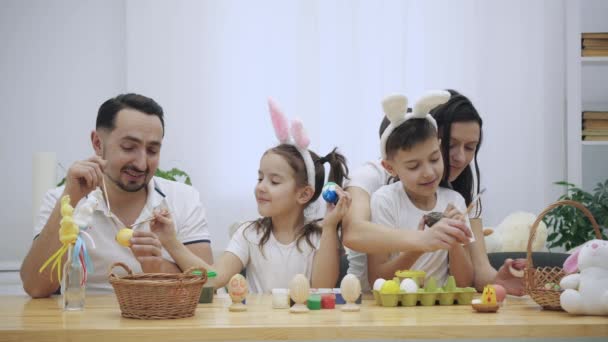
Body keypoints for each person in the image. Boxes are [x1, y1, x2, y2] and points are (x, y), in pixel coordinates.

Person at [20, 93, 213, 297]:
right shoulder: (64, 198)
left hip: (161, 322)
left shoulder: (183, 199)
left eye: (153, 151)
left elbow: (208, 288)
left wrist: (157, 267)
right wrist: (71, 198)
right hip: (86, 323)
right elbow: (35, 286)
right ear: (97, 143)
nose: (141, 164)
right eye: (128, 147)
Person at [150, 100, 352, 293]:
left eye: (274, 181)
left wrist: (329, 227)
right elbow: (213, 279)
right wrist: (171, 242)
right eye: (260, 178)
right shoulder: (249, 234)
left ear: (304, 194)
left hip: (303, 328)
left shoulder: (321, 237)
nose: (261, 187)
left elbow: (322, 288)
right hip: (259, 327)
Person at [344, 89, 525, 295]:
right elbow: (353, 232)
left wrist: (499, 281)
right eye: (452, 144)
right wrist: (423, 241)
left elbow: (473, 273)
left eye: (470, 147)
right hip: (370, 299)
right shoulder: (376, 184)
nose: (460, 157)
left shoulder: (457, 198)